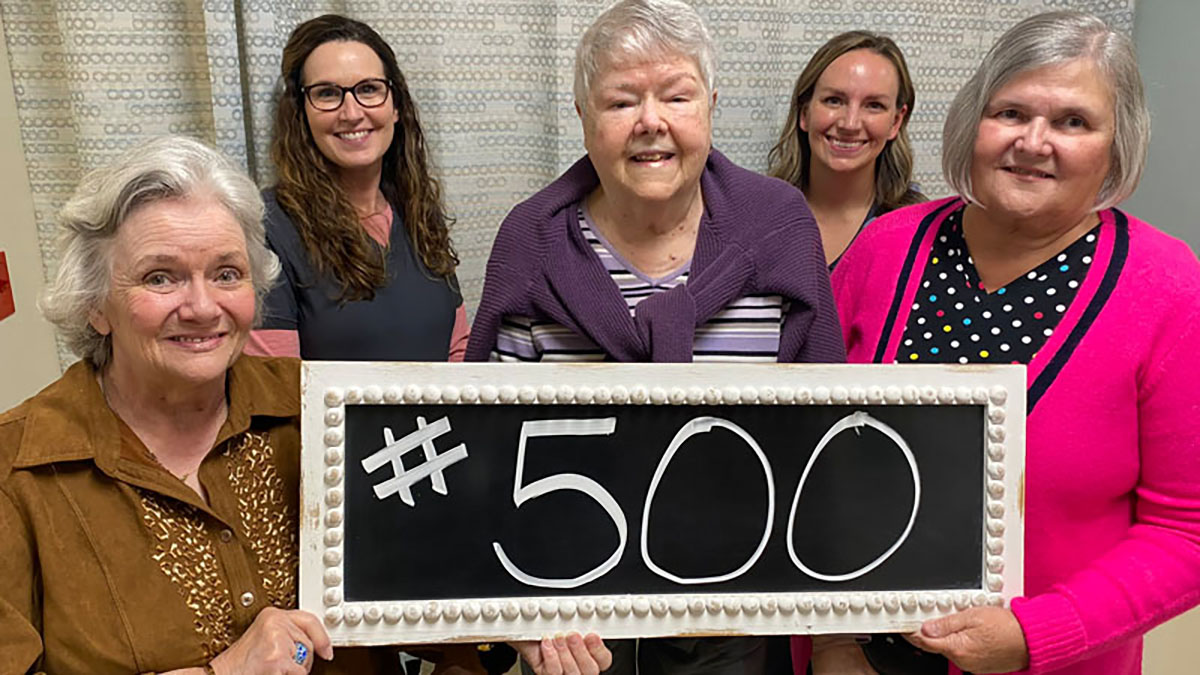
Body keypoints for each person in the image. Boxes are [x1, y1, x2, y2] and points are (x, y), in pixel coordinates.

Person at [810, 11, 1200, 674]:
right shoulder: (886, 248)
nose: (1034, 141)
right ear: (974, 123)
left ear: (1117, 143)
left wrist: (1035, 633)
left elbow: (1185, 530)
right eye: (1010, 112)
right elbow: (806, 452)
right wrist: (829, 641)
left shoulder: (1168, 289)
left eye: (1073, 121)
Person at [468, 0, 844, 672]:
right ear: (583, 116)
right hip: (574, 622)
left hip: (737, 620)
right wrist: (519, 614)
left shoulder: (781, 226)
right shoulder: (530, 241)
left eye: (676, 95)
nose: (651, 122)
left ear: (710, 106)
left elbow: (824, 425)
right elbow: (489, 451)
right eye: (621, 101)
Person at [0, 136, 400, 673]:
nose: (202, 306)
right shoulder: (16, 468)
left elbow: (423, 577)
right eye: (159, 277)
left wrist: (520, 621)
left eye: (227, 273)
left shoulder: (327, 409)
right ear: (95, 305)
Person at [245, 15, 467, 362]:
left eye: (368, 89)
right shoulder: (268, 228)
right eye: (327, 94)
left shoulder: (418, 212)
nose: (351, 112)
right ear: (300, 115)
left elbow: (458, 350)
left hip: (440, 417)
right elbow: (277, 388)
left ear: (396, 106)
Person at [768, 31, 923, 268]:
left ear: (895, 122)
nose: (849, 124)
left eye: (874, 105)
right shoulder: (760, 216)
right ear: (805, 112)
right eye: (834, 100)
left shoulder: (917, 233)